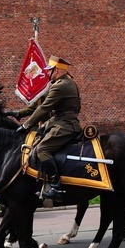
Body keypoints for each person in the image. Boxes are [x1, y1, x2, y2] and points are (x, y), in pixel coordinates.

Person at [15, 55, 82, 200]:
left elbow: (44, 108)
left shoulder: (61, 85)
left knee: (42, 150)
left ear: (57, 70)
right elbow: (41, 104)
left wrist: (26, 125)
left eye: (50, 70)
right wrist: (19, 113)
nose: (48, 73)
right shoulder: (67, 83)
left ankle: (56, 187)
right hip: (62, 121)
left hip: (65, 125)